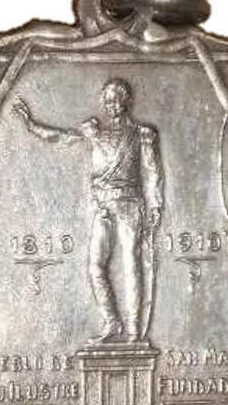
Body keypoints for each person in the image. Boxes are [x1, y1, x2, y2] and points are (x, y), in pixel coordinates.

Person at [14, 78, 164, 343]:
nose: (112, 105)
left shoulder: (142, 134)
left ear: (127, 101)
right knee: (95, 266)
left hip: (129, 205)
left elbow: (152, 171)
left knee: (131, 265)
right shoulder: (95, 134)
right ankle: (112, 322)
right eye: (108, 101)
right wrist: (31, 125)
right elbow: (60, 137)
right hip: (102, 207)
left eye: (117, 100)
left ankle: (133, 331)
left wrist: (155, 204)